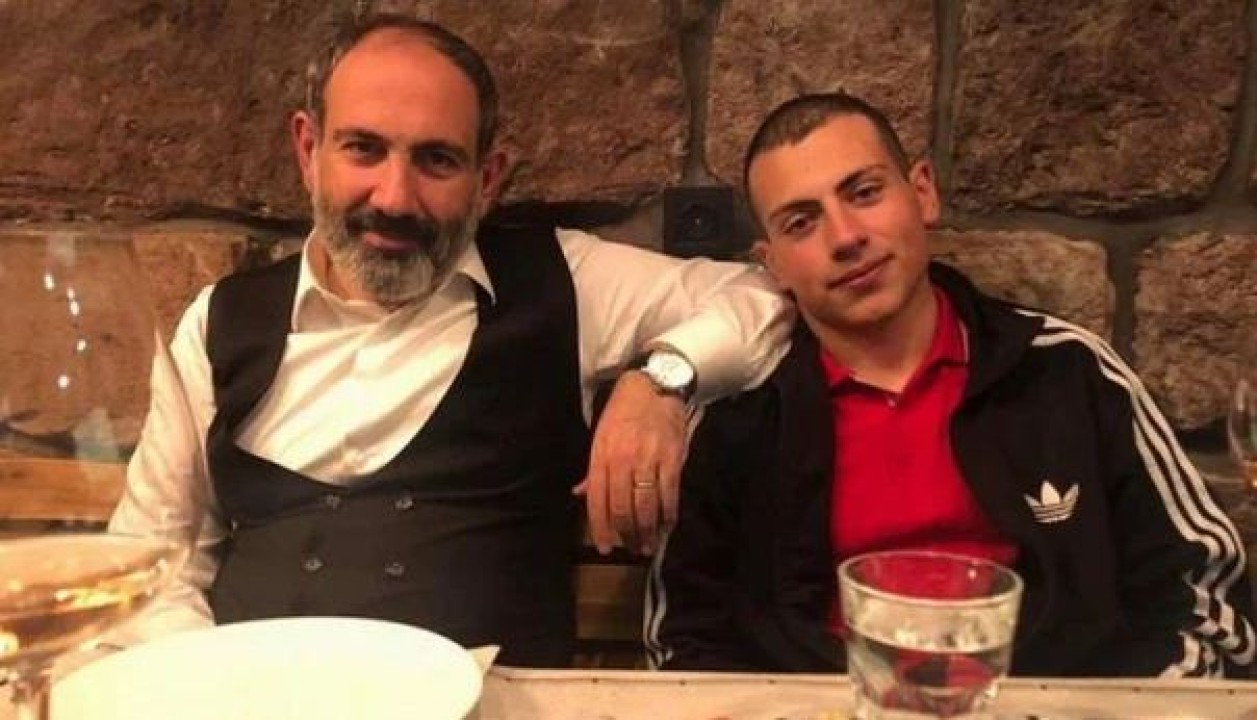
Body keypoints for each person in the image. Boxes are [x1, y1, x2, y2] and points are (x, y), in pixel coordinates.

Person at [108, 14, 791, 667]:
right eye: (363, 148)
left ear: (487, 179)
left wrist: (662, 382)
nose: (395, 197)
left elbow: (759, 295)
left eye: (436, 160)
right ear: (308, 150)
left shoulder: (564, 282)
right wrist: (212, 688)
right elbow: (151, 564)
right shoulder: (218, 323)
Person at [645, 91, 1255, 678]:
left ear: (922, 192)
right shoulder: (738, 420)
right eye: (802, 222)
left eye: (864, 192)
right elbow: (683, 648)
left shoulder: (1069, 373)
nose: (846, 237)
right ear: (772, 262)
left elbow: (1205, 604)